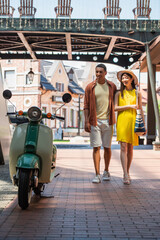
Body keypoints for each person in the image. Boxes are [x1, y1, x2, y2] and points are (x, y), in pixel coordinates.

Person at [84, 64, 117, 183]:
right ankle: (97, 174)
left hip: (108, 121)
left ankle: (106, 170)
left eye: (100, 72)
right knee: (96, 147)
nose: (98, 74)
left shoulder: (112, 86)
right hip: (95, 121)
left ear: (105, 73)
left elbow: (117, 101)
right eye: (96, 72)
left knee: (107, 147)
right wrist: (86, 121)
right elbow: (86, 106)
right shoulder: (90, 87)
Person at [114, 69, 146, 185]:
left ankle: (127, 171)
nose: (124, 80)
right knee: (123, 147)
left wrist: (144, 125)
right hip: (122, 122)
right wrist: (129, 106)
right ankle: (125, 174)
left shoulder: (137, 93)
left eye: (126, 77)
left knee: (130, 149)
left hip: (134, 122)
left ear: (132, 79)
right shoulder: (118, 93)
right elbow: (115, 108)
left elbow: (141, 109)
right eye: (123, 78)